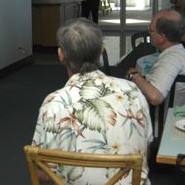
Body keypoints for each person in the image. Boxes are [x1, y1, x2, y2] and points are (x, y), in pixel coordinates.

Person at [32, 18, 153, 184]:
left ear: (61, 55)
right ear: (102, 50)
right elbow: (145, 145)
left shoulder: (54, 103)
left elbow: (43, 172)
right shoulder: (132, 90)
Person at [126, 10, 185, 107]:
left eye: (151, 30)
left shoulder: (171, 59)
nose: (149, 32)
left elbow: (155, 97)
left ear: (162, 37)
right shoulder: (182, 52)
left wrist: (134, 75)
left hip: (163, 119)